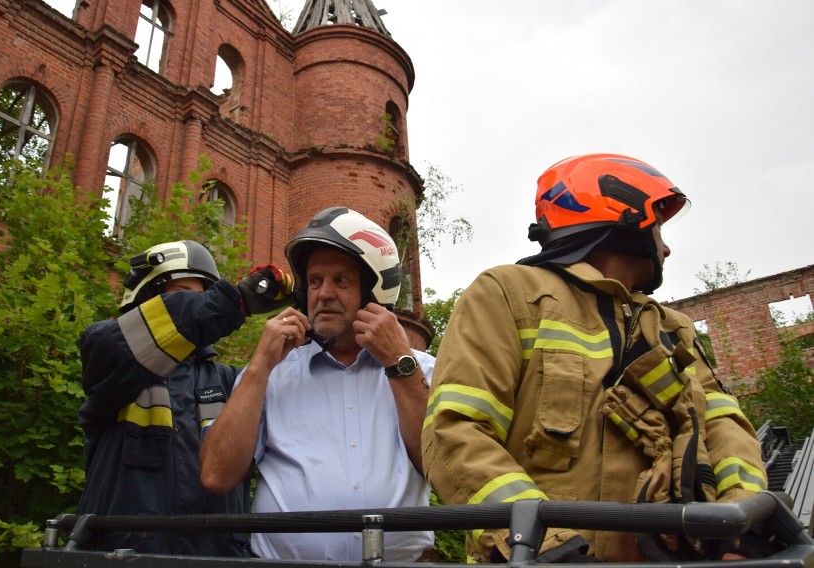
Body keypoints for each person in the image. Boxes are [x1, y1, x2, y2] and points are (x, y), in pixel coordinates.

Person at [421, 154, 769, 563]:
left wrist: (741, 526)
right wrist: (547, 549)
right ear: (625, 215)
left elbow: (724, 427)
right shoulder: (510, 294)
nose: (667, 247)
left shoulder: (673, 328)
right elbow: (455, 432)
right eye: (658, 226)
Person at [200, 206, 435, 562]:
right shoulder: (272, 373)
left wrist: (399, 364)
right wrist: (259, 366)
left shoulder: (420, 371)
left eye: (341, 281)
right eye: (314, 281)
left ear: (374, 294)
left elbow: (439, 466)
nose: (323, 294)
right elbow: (216, 475)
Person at [76, 239, 291, 556]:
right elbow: (130, 343)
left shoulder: (231, 381)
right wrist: (237, 302)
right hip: (128, 558)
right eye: (182, 297)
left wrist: (311, 299)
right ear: (146, 300)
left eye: (203, 297)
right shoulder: (109, 357)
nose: (198, 308)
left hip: (219, 560)